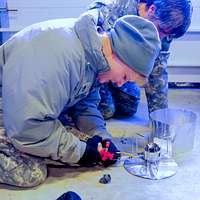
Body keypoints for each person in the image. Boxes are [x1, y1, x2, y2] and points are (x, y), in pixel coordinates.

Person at [0, 14, 160, 187]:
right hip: (12, 109)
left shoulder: (94, 53)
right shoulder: (58, 60)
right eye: (125, 76)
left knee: (84, 142)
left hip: (26, 105)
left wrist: (101, 138)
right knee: (30, 172)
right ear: (118, 55)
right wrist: (82, 153)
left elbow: (84, 103)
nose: (121, 83)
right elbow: (27, 128)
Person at [86, 0, 193, 119]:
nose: (161, 38)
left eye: (167, 35)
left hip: (120, 69)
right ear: (152, 10)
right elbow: (92, 57)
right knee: (106, 110)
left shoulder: (164, 29)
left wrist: (160, 123)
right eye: (161, 31)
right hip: (95, 69)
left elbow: (158, 73)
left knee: (129, 105)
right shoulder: (113, 12)